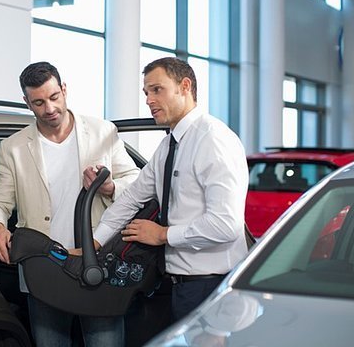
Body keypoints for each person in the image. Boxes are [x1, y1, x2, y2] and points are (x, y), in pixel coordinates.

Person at [0, 61, 140, 347]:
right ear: (27, 102)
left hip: (96, 261)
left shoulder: (103, 131)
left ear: (64, 89)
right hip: (44, 269)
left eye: (54, 97)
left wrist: (110, 186)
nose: (49, 109)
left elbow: (137, 182)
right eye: (39, 102)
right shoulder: (13, 148)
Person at [93, 57, 249, 341]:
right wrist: (95, 242)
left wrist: (164, 234)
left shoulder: (213, 140)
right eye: (146, 93)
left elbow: (227, 225)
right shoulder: (169, 144)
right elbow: (132, 197)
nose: (149, 100)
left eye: (157, 90)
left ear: (184, 86)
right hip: (179, 286)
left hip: (211, 285)